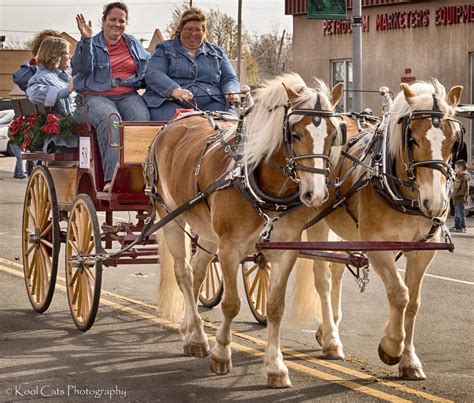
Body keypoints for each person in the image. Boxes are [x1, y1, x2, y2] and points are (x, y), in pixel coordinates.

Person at [72, 1, 150, 191]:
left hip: (127, 94)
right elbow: (81, 67)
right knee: (111, 119)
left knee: (141, 120)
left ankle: (140, 178)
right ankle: (112, 179)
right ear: (103, 20)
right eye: (112, 19)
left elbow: (150, 66)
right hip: (93, 97)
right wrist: (86, 40)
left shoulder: (132, 43)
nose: (117, 24)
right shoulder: (91, 42)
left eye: (121, 21)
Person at [144, 7, 240, 122]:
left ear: (204, 33)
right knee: (179, 129)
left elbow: (230, 78)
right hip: (169, 104)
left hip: (213, 104)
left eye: (198, 30)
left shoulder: (217, 53)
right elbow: (153, 73)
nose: (193, 34)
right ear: (181, 29)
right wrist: (174, 90)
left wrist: (231, 91)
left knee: (231, 127)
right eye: (189, 29)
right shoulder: (164, 49)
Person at [26, 36, 75, 116]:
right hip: (68, 126)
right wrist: (65, 91)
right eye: (66, 53)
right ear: (55, 55)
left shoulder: (62, 75)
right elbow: (33, 94)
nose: (70, 56)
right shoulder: (43, 77)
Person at [450, 159, 470, 233]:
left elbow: (463, 190)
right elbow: (456, 187)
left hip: (460, 199)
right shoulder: (458, 176)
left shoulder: (464, 177)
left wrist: (454, 195)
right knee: (456, 214)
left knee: (460, 214)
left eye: (456, 168)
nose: (455, 169)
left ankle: (462, 227)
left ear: (460, 168)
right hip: (456, 199)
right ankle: (457, 226)